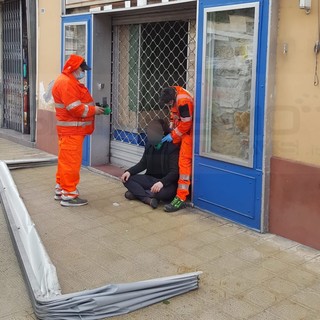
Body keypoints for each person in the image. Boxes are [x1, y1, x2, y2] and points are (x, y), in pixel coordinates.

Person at [52, 54, 105, 207]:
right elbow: (75, 108)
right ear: (75, 68)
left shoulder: (66, 81)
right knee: (71, 164)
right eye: (83, 69)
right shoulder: (67, 83)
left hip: (69, 131)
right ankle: (69, 195)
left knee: (65, 162)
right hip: (72, 131)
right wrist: (94, 110)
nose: (84, 73)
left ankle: (61, 189)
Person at [121, 119, 180, 209]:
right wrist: (129, 171)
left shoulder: (172, 146)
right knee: (127, 179)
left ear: (162, 132)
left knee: (162, 193)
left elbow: (174, 172)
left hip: (166, 183)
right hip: (151, 179)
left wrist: (162, 182)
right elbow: (143, 164)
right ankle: (147, 199)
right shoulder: (149, 144)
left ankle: (137, 194)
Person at [159, 86, 194, 212]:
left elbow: (186, 124)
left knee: (184, 163)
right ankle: (173, 189)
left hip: (189, 133)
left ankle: (181, 198)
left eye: (169, 103)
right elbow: (174, 116)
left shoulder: (183, 101)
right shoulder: (174, 94)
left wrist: (172, 135)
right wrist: (170, 130)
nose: (169, 105)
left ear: (173, 98)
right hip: (182, 132)